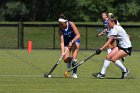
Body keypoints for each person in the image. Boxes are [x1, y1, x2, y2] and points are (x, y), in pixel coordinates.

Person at [58, 13, 80, 78]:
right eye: (59, 24)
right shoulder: (60, 29)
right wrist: (62, 53)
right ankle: (70, 61)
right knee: (65, 60)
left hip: (75, 40)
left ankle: (74, 73)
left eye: (61, 24)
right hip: (66, 43)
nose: (60, 25)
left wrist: (72, 41)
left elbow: (78, 35)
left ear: (65, 22)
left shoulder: (71, 24)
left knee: (74, 58)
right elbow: (62, 42)